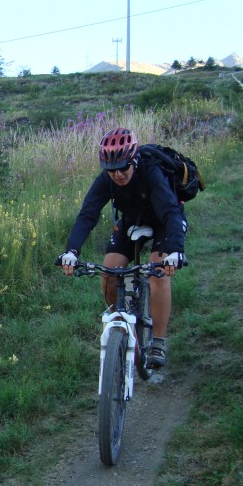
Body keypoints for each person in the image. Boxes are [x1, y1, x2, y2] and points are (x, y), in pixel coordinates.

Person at [58, 127, 187, 368]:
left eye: (123, 167)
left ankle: (158, 341)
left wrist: (176, 251)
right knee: (108, 273)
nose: (117, 174)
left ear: (133, 160)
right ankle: (123, 317)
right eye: (111, 170)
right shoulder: (107, 179)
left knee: (157, 273)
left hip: (165, 222)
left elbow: (171, 212)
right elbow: (87, 215)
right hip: (131, 221)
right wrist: (71, 251)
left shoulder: (151, 172)